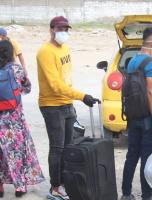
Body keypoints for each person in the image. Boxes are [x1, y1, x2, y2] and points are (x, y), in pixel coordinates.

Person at [36, 16, 98, 200]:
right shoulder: (45, 52)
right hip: (52, 105)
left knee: (68, 146)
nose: (63, 32)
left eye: (66, 29)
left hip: (67, 103)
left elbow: (66, 80)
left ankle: (65, 182)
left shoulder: (65, 49)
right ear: (51, 29)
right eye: (60, 29)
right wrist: (82, 96)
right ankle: (55, 187)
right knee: (57, 148)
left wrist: (74, 99)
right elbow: (55, 84)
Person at [120, 27, 152, 200]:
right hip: (147, 117)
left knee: (132, 155)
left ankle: (126, 193)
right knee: (147, 159)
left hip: (133, 116)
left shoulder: (131, 61)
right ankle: (147, 196)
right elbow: (150, 93)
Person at [0, 40, 45, 198]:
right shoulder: (16, 69)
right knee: (17, 152)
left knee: (1, 152)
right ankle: (20, 186)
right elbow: (27, 88)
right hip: (14, 120)